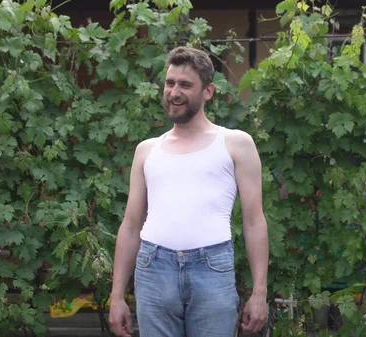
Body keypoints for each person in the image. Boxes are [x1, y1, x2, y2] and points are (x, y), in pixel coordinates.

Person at [108, 46, 269, 337]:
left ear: (208, 91)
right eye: (170, 83)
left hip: (212, 270)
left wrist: (259, 292)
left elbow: (254, 222)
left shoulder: (235, 144)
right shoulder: (147, 150)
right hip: (153, 270)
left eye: (185, 85)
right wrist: (117, 296)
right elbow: (131, 226)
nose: (174, 92)